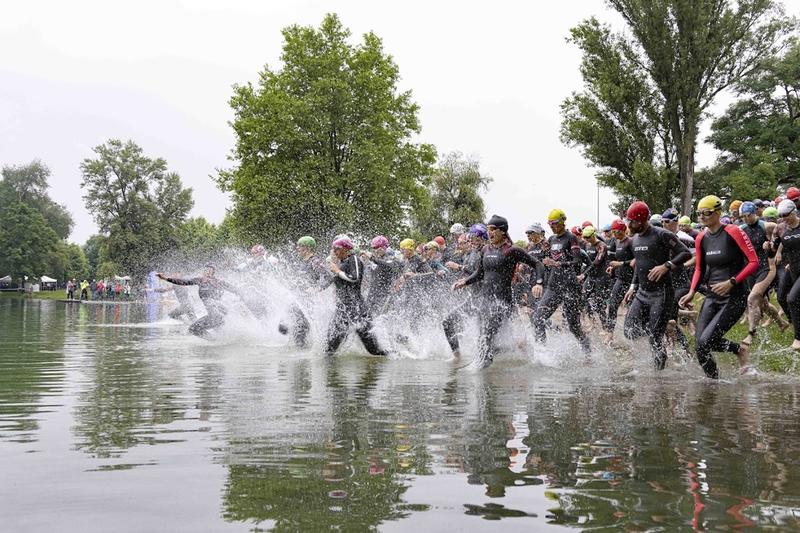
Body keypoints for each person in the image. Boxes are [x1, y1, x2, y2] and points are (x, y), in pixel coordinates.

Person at [679, 195, 759, 378]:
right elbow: (699, 267)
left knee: (706, 341)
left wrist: (731, 281)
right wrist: (692, 291)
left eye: (706, 213)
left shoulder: (733, 231)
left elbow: (753, 262)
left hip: (734, 296)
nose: (702, 217)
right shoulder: (701, 238)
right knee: (700, 346)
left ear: (717, 213)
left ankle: (740, 352)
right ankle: (713, 384)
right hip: (712, 296)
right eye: (699, 213)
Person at [454, 215, 543, 367]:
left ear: (502, 231)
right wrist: (465, 282)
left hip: (503, 302)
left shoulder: (512, 250)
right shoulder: (486, 250)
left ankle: (480, 370)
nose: (490, 233)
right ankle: (496, 367)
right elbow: (480, 273)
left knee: (486, 335)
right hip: (485, 300)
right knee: (486, 338)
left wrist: (539, 283)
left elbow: (537, 264)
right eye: (488, 229)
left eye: (493, 229)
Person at [623, 201, 692, 370]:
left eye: (631, 221)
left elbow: (685, 253)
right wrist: (633, 286)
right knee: (629, 330)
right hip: (642, 293)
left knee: (655, 338)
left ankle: (658, 375)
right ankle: (663, 327)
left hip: (661, 294)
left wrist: (666, 266)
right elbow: (639, 265)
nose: (628, 224)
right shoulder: (635, 240)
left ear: (641, 220)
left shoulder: (661, 234)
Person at [530, 209, 592, 354]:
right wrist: (545, 257)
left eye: (555, 223)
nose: (552, 226)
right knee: (538, 318)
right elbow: (547, 260)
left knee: (573, 326)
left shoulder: (571, 238)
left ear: (563, 221)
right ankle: (542, 354)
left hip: (570, 286)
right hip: (553, 286)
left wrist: (557, 264)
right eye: (550, 223)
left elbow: (576, 261)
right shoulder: (551, 239)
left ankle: (586, 347)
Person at [324, 237, 389, 357]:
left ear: (345, 249)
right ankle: (331, 373)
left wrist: (338, 271)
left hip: (357, 310)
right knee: (329, 347)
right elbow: (332, 280)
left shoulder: (354, 259)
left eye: (336, 249)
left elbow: (355, 278)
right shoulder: (342, 263)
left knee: (374, 350)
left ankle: (398, 356)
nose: (334, 251)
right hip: (343, 309)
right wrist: (315, 289)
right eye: (333, 249)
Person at [739, 201, 785, 346]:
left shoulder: (767, 226)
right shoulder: (741, 229)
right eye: (742, 216)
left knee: (752, 299)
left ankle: (751, 334)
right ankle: (781, 323)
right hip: (751, 269)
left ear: (754, 213)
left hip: (767, 267)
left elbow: (783, 235)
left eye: (748, 215)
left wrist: (773, 247)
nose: (745, 219)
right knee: (763, 303)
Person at [156, 264, 241, 339]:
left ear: (211, 272)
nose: (205, 272)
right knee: (219, 333)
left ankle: (215, 342)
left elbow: (234, 289)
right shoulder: (208, 281)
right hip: (218, 316)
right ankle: (221, 343)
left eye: (208, 270)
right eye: (205, 270)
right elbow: (183, 282)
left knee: (193, 329)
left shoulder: (210, 281)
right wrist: (165, 278)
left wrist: (165, 278)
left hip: (215, 316)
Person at [773, 199, 800, 351]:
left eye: (785, 215)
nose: (783, 218)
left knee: (793, 299)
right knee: (781, 297)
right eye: (780, 215)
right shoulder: (785, 228)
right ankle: (795, 323)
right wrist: (777, 252)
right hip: (793, 268)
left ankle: (798, 338)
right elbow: (785, 241)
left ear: (794, 212)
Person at [604, 218, 634, 336]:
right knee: (612, 305)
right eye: (613, 231)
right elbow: (619, 259)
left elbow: (637, 260)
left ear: (622, 230)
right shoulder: (617, 242)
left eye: (616, 231)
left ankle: (634, 334)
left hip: (632, 280)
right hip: (620, 279)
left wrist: (620, 264)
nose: (614, 234)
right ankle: (610, 334)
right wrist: (613, 267)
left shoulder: (631, 242)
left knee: (631, 310)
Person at [361, 235, 402, 316]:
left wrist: (372, 258)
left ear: (382, 247)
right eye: (373, 248)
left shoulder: (391, 258)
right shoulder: (377, 260)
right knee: (367, 317)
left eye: (375, 248)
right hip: (372, 294)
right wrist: (365, 262)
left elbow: (389, 266)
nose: (374, 250)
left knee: (380, 318)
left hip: (385, 295)